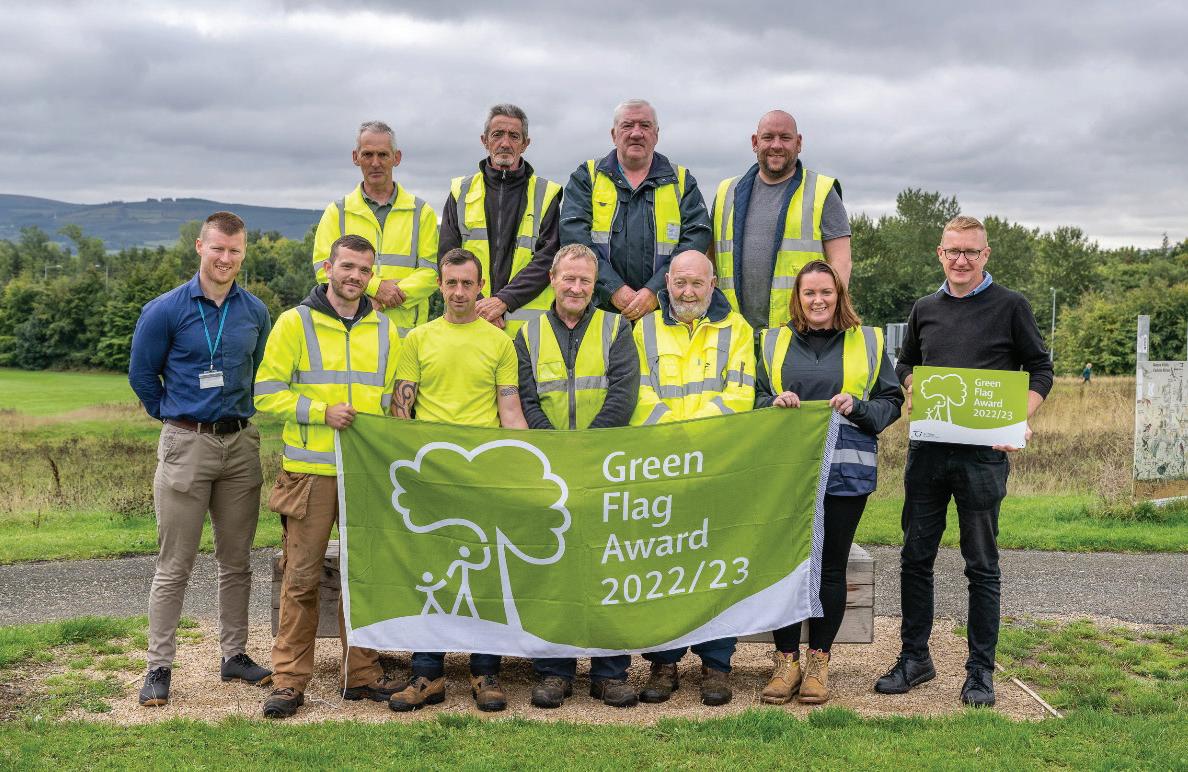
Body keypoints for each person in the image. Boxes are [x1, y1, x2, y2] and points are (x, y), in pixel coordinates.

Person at [875, 215, 1053, 707]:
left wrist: (1020, 418)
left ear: (985, 255)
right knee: (915, 558)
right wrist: (911, 383)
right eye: (953, 251)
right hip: (928, 453)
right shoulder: (925, 308)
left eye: (971, 252)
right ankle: (915, 659)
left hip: (983, 457)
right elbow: (905, 362)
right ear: (940, 253)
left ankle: (979, 672)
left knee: (982, 565)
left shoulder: (1011, 306)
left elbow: (1041, 368)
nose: (961, 260)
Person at [253, 234, 404, 719]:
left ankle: (360, 674)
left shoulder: (386, 330)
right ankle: (289, 680)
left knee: (363, 579)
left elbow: (394, 404)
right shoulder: (294, 323)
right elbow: (265, 392)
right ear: (328, 268)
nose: (355, 276)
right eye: (347, 266)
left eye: (364, 269)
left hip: (365, 475)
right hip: (310, 474)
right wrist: (321, 412)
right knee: (301, 578)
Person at [128, 211, 273, 707]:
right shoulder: (165, 310)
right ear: (199, 247)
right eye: (217, 248)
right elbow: (142, 376)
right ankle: (159, 666)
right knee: (175, 564)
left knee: (237, 561)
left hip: (240, 444)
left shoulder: (255, 312)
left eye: (234, 250)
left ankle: (234, 655)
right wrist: (175, 419)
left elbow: (259, 372)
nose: (225, 258)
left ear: (243, 253)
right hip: (187, 443)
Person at [754, 260, 902, 704]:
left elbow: (891, 402)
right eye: (809, 293)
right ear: (797, 298)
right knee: (787, 565)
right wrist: (772, 401)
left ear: (839, 296)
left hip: (845, 470)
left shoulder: (869, 340)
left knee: (830, 567)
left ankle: (818, 662)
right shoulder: (772, 342)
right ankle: (785, 663)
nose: (817, 300)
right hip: (786, 470)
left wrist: (859, 407)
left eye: (826, 292)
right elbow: (751, 397)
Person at [388, 248, 529, 713]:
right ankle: (427, 673)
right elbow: (402, 410)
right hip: (431, 476)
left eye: (468, 283)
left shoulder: (500, 343)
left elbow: (510, 411)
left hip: (483, 475)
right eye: (451, 283)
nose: (459, 292)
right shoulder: (418, 339)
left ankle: (485, 671)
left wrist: (527, 466)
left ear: (481, 286)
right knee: (432, 574)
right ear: (440, 286)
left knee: (485, 574)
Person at [513, 243, 639, 709]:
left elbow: (623, 395)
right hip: (550, 469)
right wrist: (556, 449)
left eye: (585, 280)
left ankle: (610, 671)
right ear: (552, 279)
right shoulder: (526, 333)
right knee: (552, 571)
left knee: (607, 570)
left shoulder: (615, 327)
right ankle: (554, 670)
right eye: (569, 278)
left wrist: (587, 450)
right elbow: (525, 398)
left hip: (602, 467)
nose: (577, 287)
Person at [629, 250, 755, 706]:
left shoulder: (737, 330)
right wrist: (675, 440)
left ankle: (716, 664)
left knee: (716, 563)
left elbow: (740, 394)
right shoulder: (643, 329)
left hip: (716, 466)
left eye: (696, 283)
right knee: (662, 567)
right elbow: (638, 393)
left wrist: (694, 441)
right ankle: (663, 662)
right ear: (666, 282)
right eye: (680, 283)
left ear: (712, 284)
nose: (687, 292)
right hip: (660, 468)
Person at [560, 99, 711, 320]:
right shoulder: (587, 177)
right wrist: (613, 289)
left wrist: (655, 291)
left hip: (663, 315)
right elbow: (575, 239)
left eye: (645, 126)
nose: (636, 133)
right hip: (598, 312)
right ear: (614, 134)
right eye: (628, 125)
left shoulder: (681, 182)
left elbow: (696, 240)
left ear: (656, 134)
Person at [710, 110, 852, 332]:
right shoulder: (726, 192)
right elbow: (709, 261)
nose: (776, 145)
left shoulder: (822, 191)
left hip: (800, 333)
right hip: (734, 333)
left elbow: (841, 262)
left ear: (799, 143)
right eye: (768, 137)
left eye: (785, 138)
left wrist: (829, 321)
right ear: (755, 142)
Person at [439, 104, 562, 337]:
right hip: (469, 322)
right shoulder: (460, 191)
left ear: (525, 144)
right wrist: (481, 305)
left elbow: (549, 258)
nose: (505, 143)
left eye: (514, 136)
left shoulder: (547, 194)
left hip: (526, 332)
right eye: (497, 135)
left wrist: (503, 301)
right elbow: (448, 256)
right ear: (484, 140)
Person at [312, 120, 439, 336]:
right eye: (368, 154)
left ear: (396, 158)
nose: (375, 163)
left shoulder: (421, 212)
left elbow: (432, 272)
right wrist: (375, 288)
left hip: (405, 336)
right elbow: (323, 269)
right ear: (356, 157)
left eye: (383, 155)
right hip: (350, 332)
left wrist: (387, 296)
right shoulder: (337, 212)